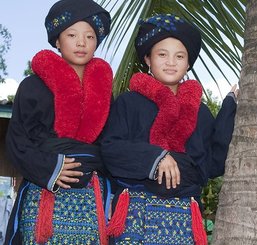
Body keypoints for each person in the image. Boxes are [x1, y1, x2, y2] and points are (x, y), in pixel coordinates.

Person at [100, 14, 237, 245]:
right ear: (147, 59)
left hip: (184, 214)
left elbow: (212, 164)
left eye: (180, 56)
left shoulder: (200, 112)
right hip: (136, 213)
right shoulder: (129, 102)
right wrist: (156, 157)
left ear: (188, 63)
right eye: (162, 54)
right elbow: (110, 148)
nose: (171, 62)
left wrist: (229, 110)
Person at [4, 0, 112, 244]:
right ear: (57, 41)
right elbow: (17, 140)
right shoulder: (31, 86)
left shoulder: (105, 91)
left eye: (90, 36)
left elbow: (110, 143)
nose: (81, 42)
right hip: (44, 191)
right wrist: (51, 168)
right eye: (72, 34)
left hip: (92, 197)